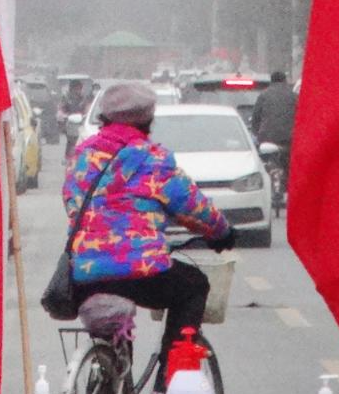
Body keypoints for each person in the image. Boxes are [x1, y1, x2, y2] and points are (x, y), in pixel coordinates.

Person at [58, 80, 236, 376]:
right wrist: (221, 233)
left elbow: (72, 201)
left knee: (110, 330)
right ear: (148, 119)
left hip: (85, 273)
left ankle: (104, 390)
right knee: (193, 286)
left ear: (104, 116)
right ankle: (175, 376)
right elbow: (192, 205)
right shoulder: (153, 158)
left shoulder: (83, 154)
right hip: (140, 273)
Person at [251, 71, 297, 154]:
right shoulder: (294, 96)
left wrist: (257, 133)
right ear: (285, 81)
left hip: (267, 137)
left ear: (271, 81)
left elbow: (256, 117)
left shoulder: (263, 95)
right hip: (289, 138)